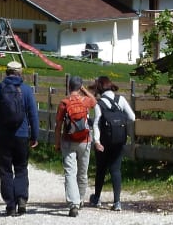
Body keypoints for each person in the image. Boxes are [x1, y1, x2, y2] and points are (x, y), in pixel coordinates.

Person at [0, 61, 40, 216]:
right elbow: (33, 115)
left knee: (6, 170)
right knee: (21, 168)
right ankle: (21, 199)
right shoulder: (27, 90)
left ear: (6, 72)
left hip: (3, 136)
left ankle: (10, 205)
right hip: (22, 136)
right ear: (20, 73)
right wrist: (35, 136)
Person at [88, 76, 135, 212]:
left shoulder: (99, 103)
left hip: (103, 141)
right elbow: (132, 117)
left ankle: (97, 198)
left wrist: (96, 141)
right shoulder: (121, 99)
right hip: (119, 141)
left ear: (100, 88)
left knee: (101, 169)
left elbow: (96, 123)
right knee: (115, 170)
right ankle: (117, 202)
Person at [54, 75, 96, 217]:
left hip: (68, 140)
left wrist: (57, 143)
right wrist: (84, 90)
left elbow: (58, 125)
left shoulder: (64, 103)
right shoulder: (85, 101)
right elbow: (95, 101)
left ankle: (74, 204)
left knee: (70, 173)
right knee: (82, 173)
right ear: (80, 87)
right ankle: (81, 199)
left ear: (68, 86)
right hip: (85, 141)